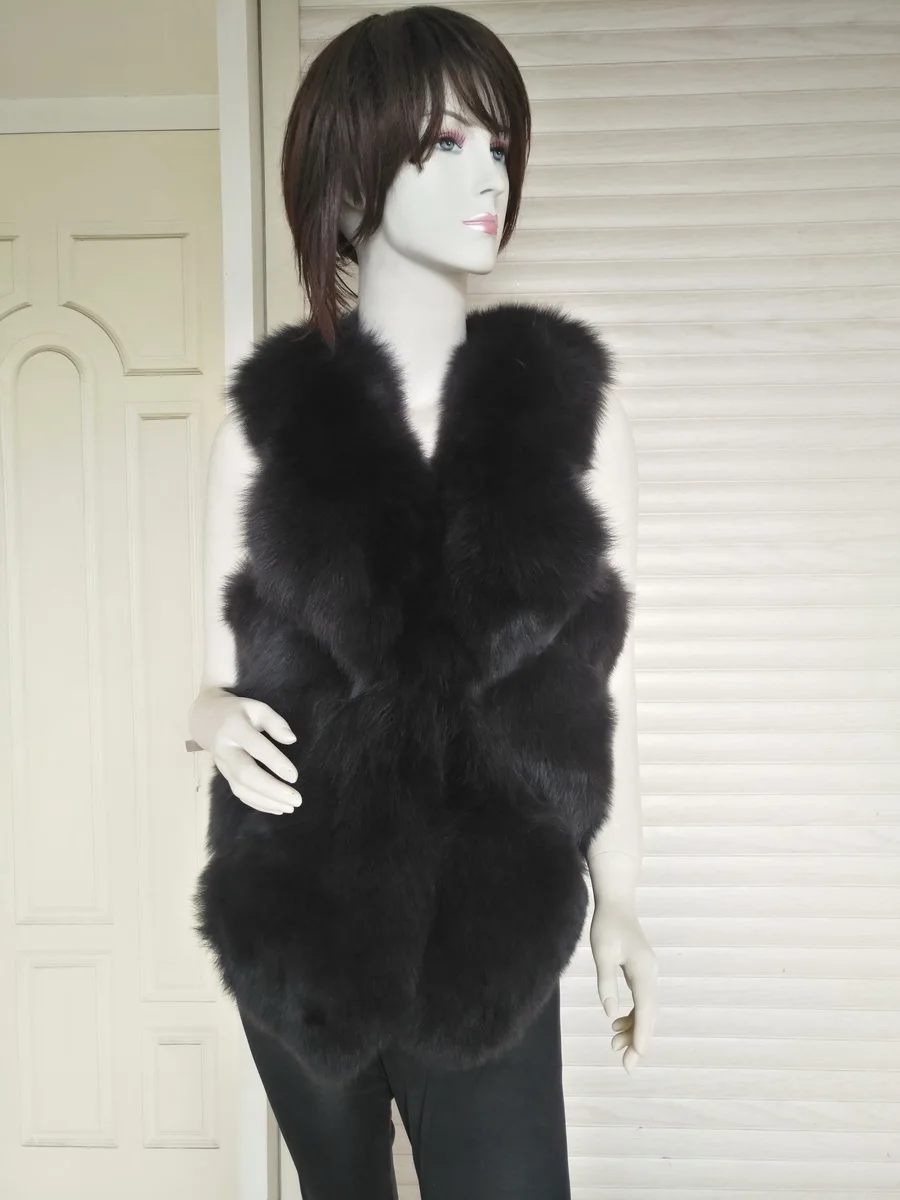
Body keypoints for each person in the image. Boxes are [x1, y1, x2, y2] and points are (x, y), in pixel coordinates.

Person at [188, 7, 658, 1198]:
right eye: (445, 144)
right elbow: (215, 675)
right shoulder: (270, 426)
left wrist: (622, 895)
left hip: (493, 930)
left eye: (498, 145)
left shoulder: (570, 417)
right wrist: (203, 714)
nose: (489, 176)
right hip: (298, 921)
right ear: (353, 179)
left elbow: (604, 685)